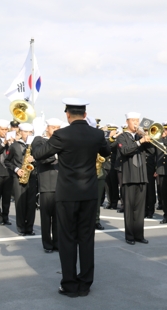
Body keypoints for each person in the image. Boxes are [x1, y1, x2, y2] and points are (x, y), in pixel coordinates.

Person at [32, 98, 110, 298]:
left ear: (67, 114)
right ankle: (85, 284)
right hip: (90, 193)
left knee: (67, 239)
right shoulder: (97, 134)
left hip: (67, 194)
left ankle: (69, 284)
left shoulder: (61, 134)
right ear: (85, 114)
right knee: (86, 238)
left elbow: (40, 154)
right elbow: (106, 151)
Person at [116, 112, 155, 245]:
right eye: (133, 120)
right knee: (129, 208)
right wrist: (139, 142)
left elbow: (152, 152)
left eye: (137, 120)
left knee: (140, 208)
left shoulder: (140, 136)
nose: (136, 123)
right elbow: (125, 151)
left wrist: (148, 139)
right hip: (129, 176)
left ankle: (139, 235)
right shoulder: (121, 137)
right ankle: (130, 236)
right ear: (127, 122)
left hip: (142, 176)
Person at [31, 118, 62, 253]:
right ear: (47, 128)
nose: (56, 130)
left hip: (61, 184)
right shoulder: (40, 140)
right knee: (46, 217)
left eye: (58, 128)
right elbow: (40, 156)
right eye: (53, 127)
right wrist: (56, 156)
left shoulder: (63, 142)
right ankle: (47, 244)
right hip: (47, 183)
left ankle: (57, 243)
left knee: (58, 217)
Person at [5, 123, 37, 236]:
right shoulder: (14, 145)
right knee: (20, 203)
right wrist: (17, 169)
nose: (28, 134)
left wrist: (34, 159)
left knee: (31, 203)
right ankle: (21, 228)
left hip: (32, 177)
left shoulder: (36, 145)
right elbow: (7, 161)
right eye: (25, 132)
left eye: (30, 132)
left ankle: (30, 227)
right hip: (19, 177)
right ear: (20, 132)